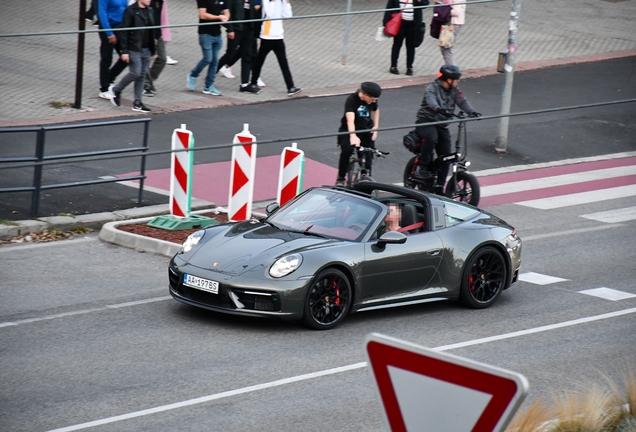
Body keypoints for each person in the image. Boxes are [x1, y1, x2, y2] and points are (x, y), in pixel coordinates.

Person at [414, 64, 480, 194]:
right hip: (426, 121)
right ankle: (422, 166)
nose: (458, 82)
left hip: (442, 124)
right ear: (448, 80)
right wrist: (439, 108)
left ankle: (439, 186)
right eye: (456, 79)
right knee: (431, 137)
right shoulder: (431, 88)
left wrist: (472, 112)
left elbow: (462, 101)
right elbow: (431, 101)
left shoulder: (454, 90)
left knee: (447, 156)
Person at [108, 0, 157, 113]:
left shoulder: (150, 10)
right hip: (134, 48)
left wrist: (153, 50)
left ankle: (137, 103)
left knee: (142, 75)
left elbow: (152, 31)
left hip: (146, 49)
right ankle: (116, 89)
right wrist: (124, 51)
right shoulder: (130, 11)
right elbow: (124, 32)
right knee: (136, 73)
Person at [249, 0, 301, 97]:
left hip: (278, 37)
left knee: (284, 63)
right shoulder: (266, 1)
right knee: (259, 61)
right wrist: (272, 1)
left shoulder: (281, 1)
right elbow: (269, 14)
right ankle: (253, 83)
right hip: (267, 36)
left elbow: (287, 15)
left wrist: (287, 3)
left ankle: (290, 87)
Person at [335, 82, 382, 186]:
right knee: (347, 150)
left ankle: (365, 175)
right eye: (372, 99)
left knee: (369, 153)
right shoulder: (352, 100)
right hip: (349, 129)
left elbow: (376, 110)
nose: (374, 101)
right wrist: (353, 136)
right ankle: (341, 178)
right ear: (365, 95)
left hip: (365, 128)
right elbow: (350, 121)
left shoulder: (372, 100)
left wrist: (375, 127)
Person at [216, 0, 262, 94]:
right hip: (236, 30)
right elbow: (227, 13)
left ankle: (244, 84)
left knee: (247, 56)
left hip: (248, 31)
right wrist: (230, 29)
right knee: (230, 54)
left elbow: (253, 14)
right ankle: (212, 73)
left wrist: (254, 29)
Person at [187, 0, 229, 96]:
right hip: (205, 34)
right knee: (207, 58)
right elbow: (203, 15)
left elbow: (227, 11)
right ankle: (193, 75)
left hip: (217, 34)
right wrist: (219, 17)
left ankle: (209, 86)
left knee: (214, 61)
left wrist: (225, 17)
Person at [383, 0, 428, 76]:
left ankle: (409, 67)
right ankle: (393, 66)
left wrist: (420, 1)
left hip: (413, 24)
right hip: (399, 23)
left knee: (411, 46)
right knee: (397, 45)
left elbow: (425, 4)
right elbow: (389, 7)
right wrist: (385, 23)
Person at [97, 0, 129, 100]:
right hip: (108, 27)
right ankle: (104, 89)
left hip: (120, 27)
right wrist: (109, 33)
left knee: (126, 56)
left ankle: (110, 78)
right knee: (106, 58)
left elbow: (125, 9)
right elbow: (102, 13)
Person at [143, 0, 174, 96]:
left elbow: (162, 19)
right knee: (146, 60)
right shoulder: (147, 2)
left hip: (157, 33)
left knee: (162, 58)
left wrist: (164, 35)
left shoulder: (161, 2)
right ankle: (146, 85)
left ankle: (148, 80)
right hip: (146, 34)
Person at [438, 0, 465, 66]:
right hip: (450, 23)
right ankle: (449, 67)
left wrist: (442, 10)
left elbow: (456, 12)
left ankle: (451, 69)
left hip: (453, 24)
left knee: (446, 48)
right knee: (444, 47)